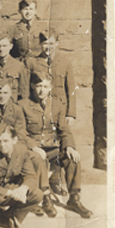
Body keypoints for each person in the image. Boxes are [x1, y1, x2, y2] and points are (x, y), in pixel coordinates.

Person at [20, 71, 90, 218]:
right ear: (32, 86)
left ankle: (74, 198)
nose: (41, 90)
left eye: (45, 86)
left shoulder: (56, 104)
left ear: (51, 87)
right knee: (38, 158)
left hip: (52, 148)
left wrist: (70, 146)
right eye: (38, 86)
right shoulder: (23, 105)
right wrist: (33, 146)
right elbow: (19, 132)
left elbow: (64, 129)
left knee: (72, 158)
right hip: (32, 150)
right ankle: (45, 198)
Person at [24, 31, 77, 121]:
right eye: (45, 43)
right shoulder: (32, 63)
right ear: (40, 44)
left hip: (60, 110)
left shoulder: (65, 63)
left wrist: (71, 114)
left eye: (51, 43)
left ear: (57, 43)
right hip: (38, 108)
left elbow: (71, 89)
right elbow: (26, 88)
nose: (48, 47)